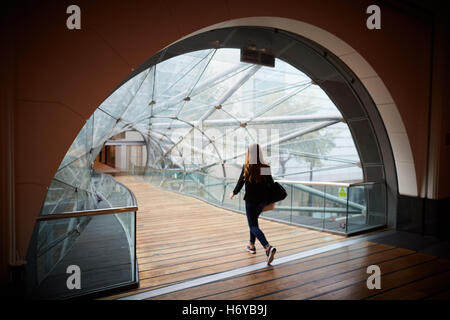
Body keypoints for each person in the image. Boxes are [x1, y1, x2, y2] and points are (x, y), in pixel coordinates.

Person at [230, 143, 276, 265]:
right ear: (260, 153)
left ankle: (267, 247)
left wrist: (234, 192)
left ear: (249, 154)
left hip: (250, 201)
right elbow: (271, 185)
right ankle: (251, 245)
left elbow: (240, 182)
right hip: (262, 202)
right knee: (254, 222)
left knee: (253, 226)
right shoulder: (265, 167)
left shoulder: (247, 167)